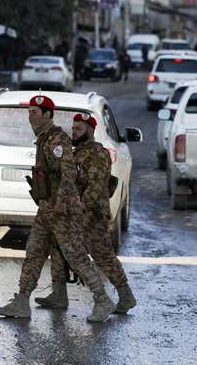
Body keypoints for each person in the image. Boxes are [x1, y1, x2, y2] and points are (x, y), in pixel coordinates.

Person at [0, 95, 114, 322]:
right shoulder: (43, 138)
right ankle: (22, 300)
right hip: (47, 208)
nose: (31, 117)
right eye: (29, 113)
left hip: (61, 210)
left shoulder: (57, 139)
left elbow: (68, 173)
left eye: (35, 113)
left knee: (76, 256)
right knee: (34, 252)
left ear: (48, 115)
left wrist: (62, 201)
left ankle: (102, 299)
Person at [35, 113, 137, 313]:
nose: (73, 132)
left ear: (91, 130)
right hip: (73, 213)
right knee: (58, 249)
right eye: (72, 129)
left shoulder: (97, 153)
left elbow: (95, 186)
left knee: (102, 256)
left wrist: (81, 209)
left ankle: (125, 296)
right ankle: (59, 293)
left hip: (92, 214)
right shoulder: (76, 152)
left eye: (78, 129)